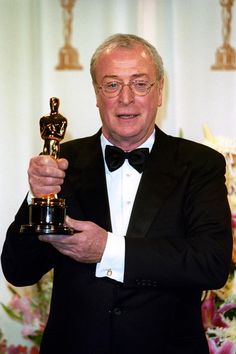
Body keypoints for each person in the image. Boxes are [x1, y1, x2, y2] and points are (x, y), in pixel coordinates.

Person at [1, 34, 232, 354]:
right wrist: (37, 196)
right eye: (111, 85)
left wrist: (107, 249)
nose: (126, 98)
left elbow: (211, 264)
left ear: (160, 91)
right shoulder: (61, 163)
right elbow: (18, 270)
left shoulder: (199, 164)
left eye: (140, 84)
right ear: (96, 94)